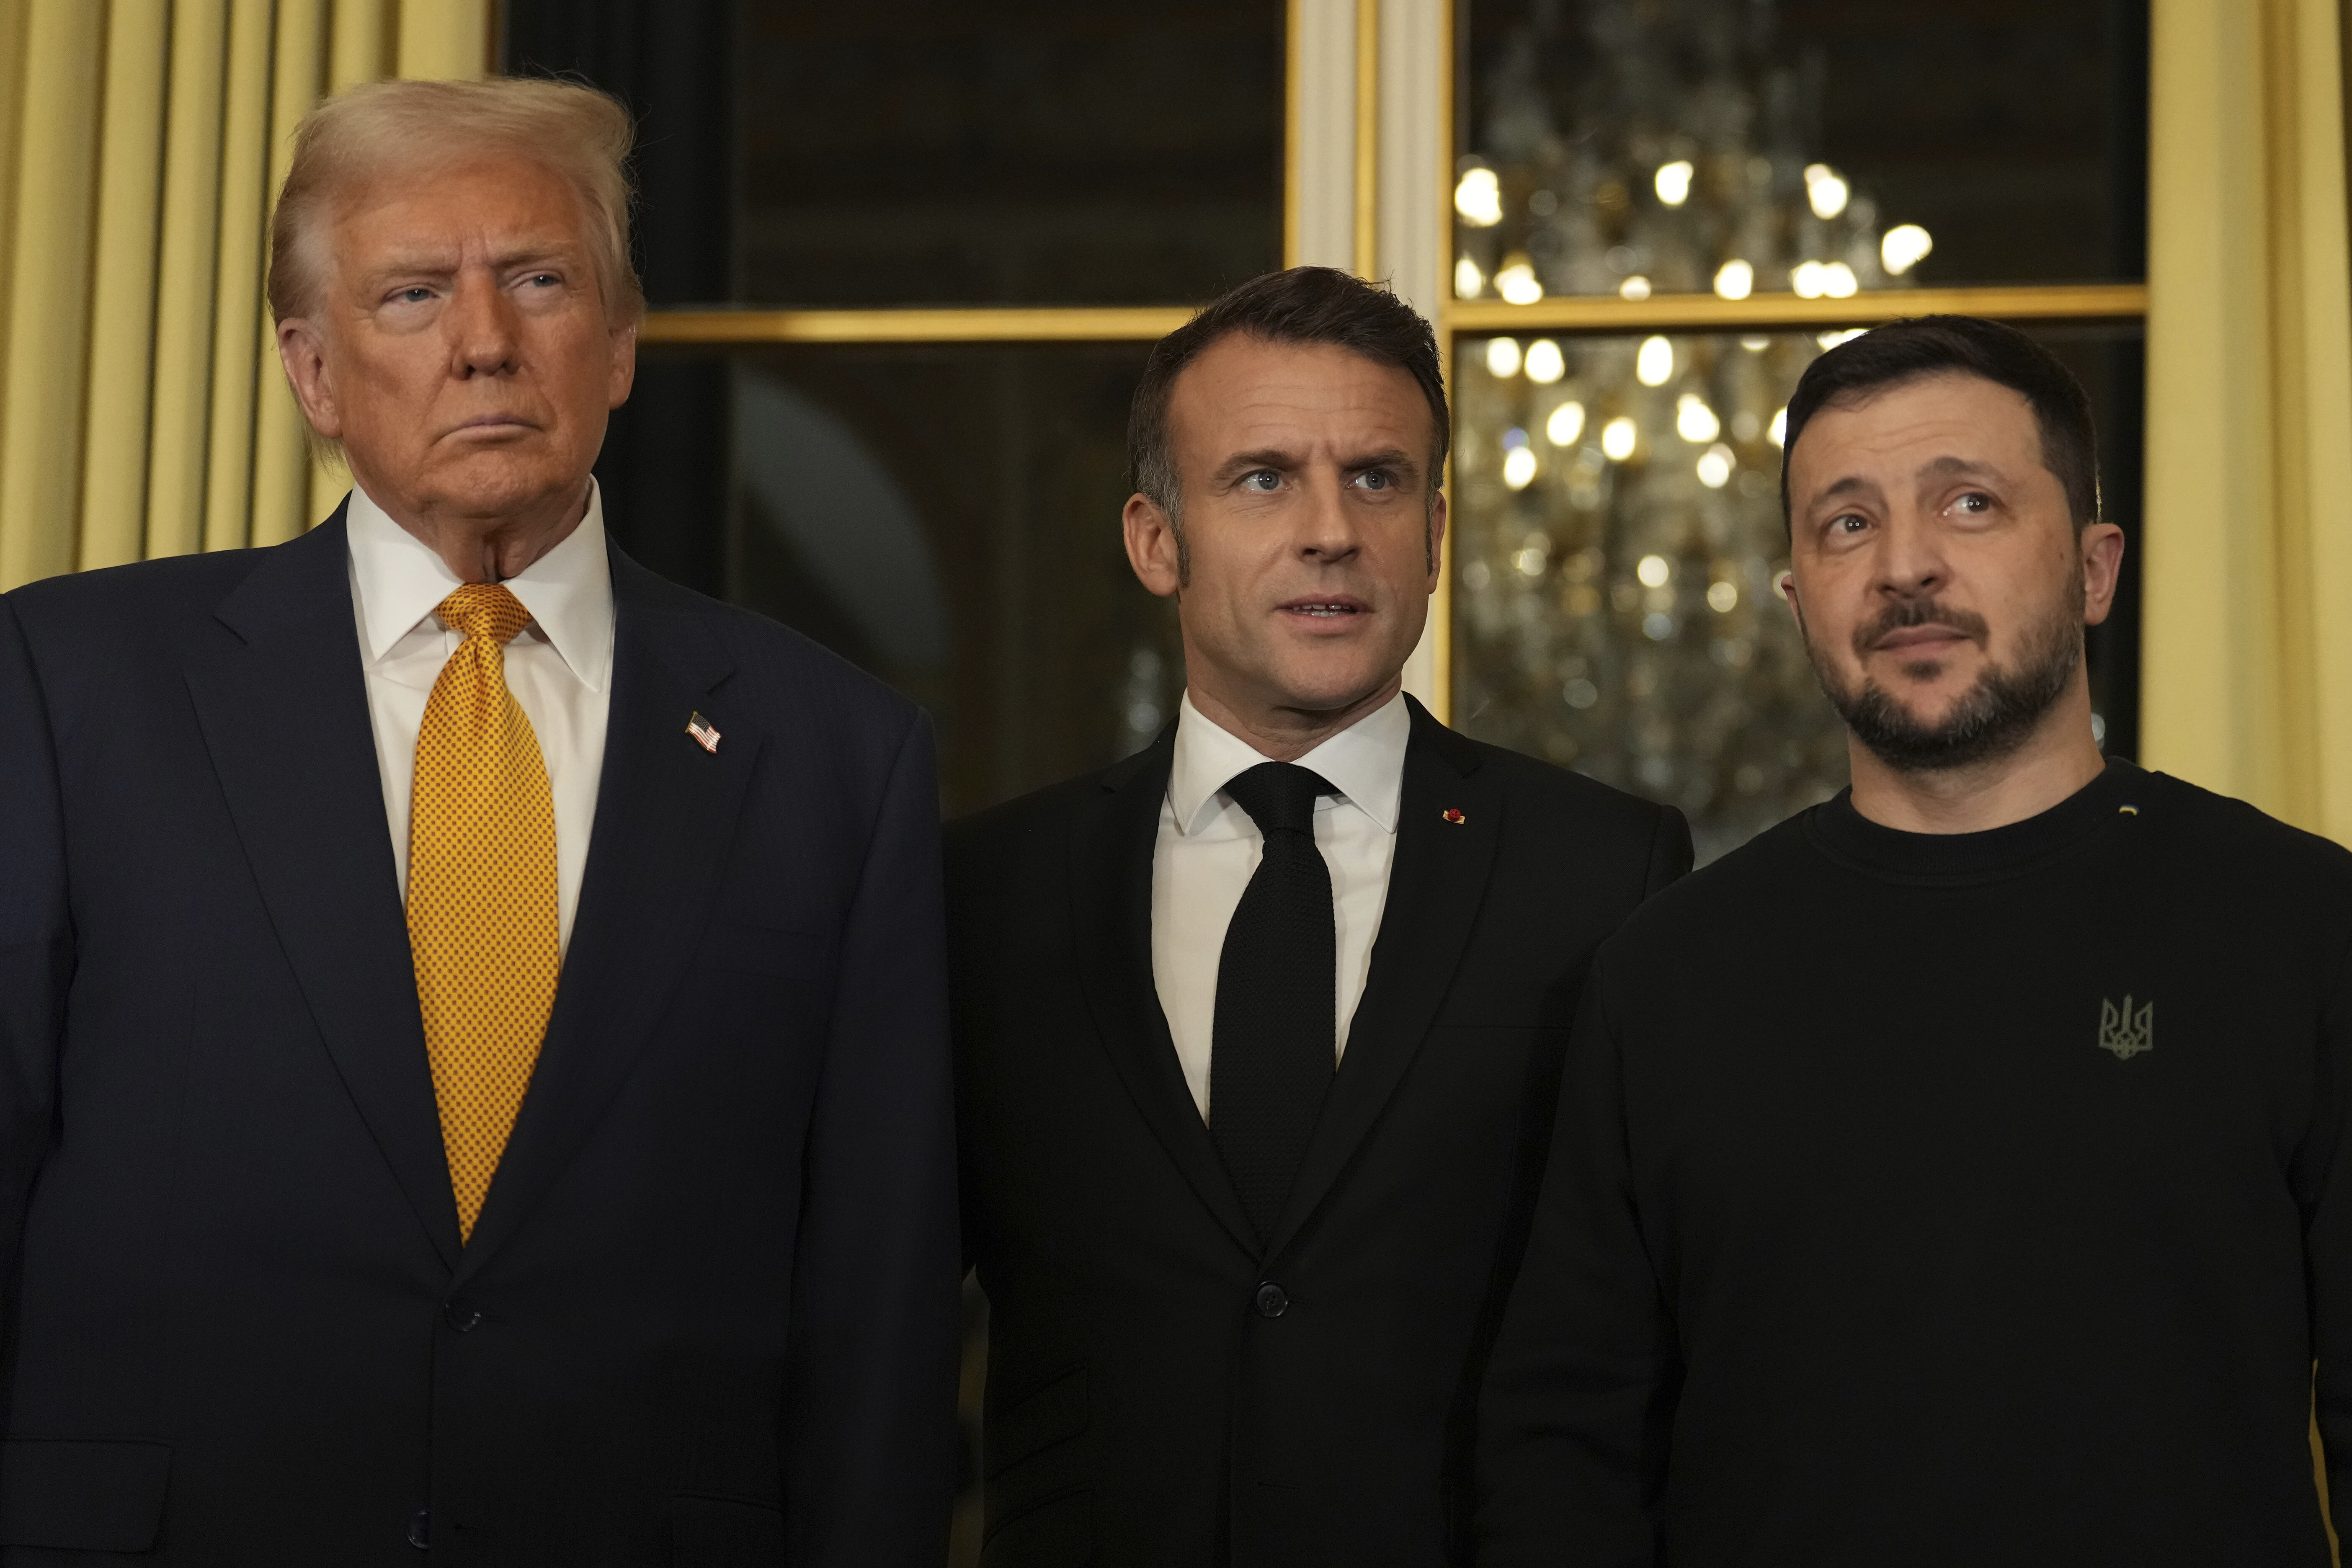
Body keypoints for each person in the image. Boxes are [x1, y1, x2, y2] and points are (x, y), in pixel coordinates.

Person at [0, 79, 958, 1564]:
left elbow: (879, 1303)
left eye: (538, 279)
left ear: (622, 342)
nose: (485, 342)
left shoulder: (837, 753)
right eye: (410, 294)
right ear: (312, 373)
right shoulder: (68, 689)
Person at [1476, 315, 2352, 1566]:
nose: (1905, 568)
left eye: (1971, 505)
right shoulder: (1666, 977)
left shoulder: (2299, 925)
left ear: (2097, 570)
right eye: (1848, 523)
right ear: (1797, 599)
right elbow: (1566, 1445)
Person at [946, 266, 1691, 1567]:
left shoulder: (1603, 871)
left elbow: (1653, 1330)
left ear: (1438, 533)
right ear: (1154, 541)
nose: (1332, 530)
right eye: (1262, 479)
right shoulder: (986, 894)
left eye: (1378, 479)